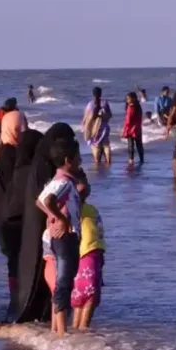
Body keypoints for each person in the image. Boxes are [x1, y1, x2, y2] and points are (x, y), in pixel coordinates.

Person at [11, 123, 76, 324]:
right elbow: (45, 200)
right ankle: (55, 322)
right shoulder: (46, 169)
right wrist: (60, 218)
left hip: (40, 228)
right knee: (57, 277)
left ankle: (50, 319)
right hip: (47, 228)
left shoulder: (40, 166)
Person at [35, 137, 83, 336]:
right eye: (78, 157)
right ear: (68, 160)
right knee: (64, 283)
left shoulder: (57, 180)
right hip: (65, 238)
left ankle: (56, 329)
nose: (81, 160)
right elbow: (47, 201)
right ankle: (62, 333)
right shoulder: (64, 182)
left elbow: (39, 201)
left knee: (60, 283)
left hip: (55, 238)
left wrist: (52, 217)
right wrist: (61, 218)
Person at [0, 129, 42, 303]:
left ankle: (15, 298)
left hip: (5, 221)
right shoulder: (31, 172)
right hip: (22, 223)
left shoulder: (13, 166)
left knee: (13, 264)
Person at [72, 176, 105, 330]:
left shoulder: (91, 209)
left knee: (88, 293)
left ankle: (77, 330)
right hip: (84, 253)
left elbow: (99, 233)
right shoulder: (73, 209)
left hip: (95, 253)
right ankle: (83, 329)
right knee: (88, 293)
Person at [81, 87, 112, 165]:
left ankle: (97, 162)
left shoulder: (90, 104)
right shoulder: (105, 103)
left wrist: (83, 125)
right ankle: (108, 162)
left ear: (93, 94)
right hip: (105, 127)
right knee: (106, 145)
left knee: (96, 145)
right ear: (100, 94)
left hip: (95, 127)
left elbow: (86, 117)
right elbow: (110, 115)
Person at [121, 92, 144, 167]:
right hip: (138, 128)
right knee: (139, 145)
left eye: (128, 98)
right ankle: (141, 159)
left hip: (131, 129)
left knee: (131, 145)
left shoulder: (130, 107)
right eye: (127, 99)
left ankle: (131, 160)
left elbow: (128, 120)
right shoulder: (138, 106)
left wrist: (124, 129)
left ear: (133, 98)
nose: (127, 100)